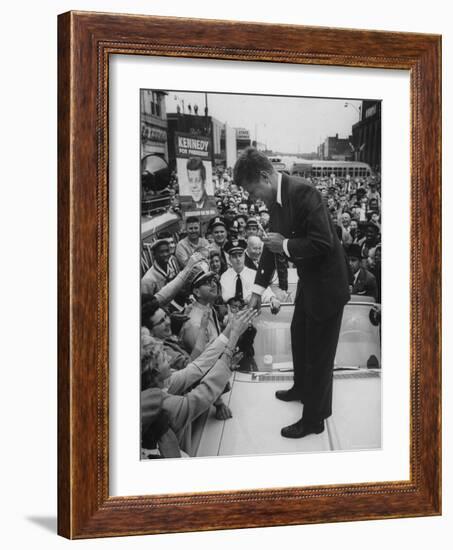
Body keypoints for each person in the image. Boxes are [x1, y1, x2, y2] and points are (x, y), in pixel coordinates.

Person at [234, 147, 350, 439]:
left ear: (264, 176)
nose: (254, 198)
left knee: (320, 355)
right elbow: (271, 249)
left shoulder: (305, 193)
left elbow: (322, 243)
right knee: (299, 336)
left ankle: (314, 419)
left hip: (327, 286)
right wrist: (257, 291)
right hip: (311, 282)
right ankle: (301, 388)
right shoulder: (276, 201)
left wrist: (285, 245)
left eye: (253, 190)